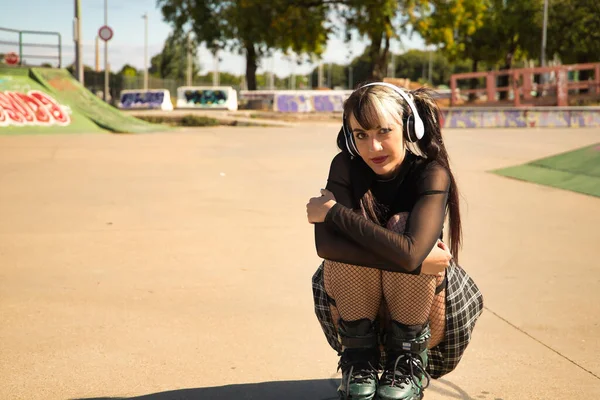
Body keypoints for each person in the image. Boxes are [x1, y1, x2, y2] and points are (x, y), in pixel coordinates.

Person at [307, 82, 482, 400]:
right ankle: (358, 359)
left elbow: (413, 253)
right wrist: (407, 257)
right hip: (352, 316)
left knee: (401, 224)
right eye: (360, 134)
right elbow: (327, 248)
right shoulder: (344, 166)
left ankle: (407, 364)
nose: (372, 147)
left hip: (424, 320)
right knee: (379, 245)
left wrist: (333, 213)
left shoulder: (431, 173)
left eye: (383, 131)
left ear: (409, 128)